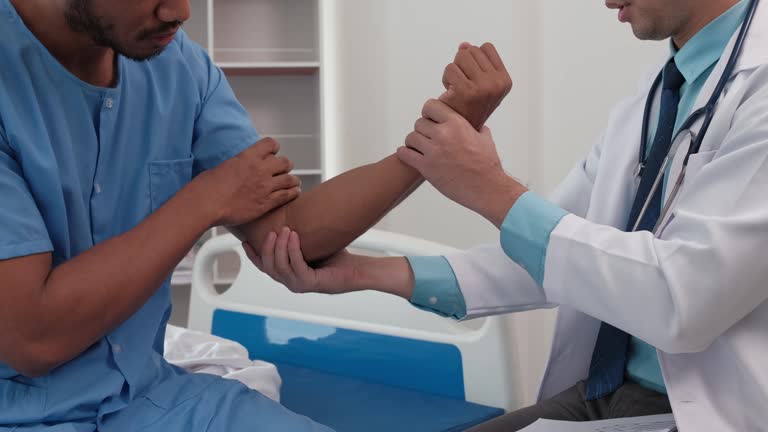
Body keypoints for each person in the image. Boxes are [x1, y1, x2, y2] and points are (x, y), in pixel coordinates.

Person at [251, 0, 768, 430]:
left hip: (718, 410)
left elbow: (683, 300)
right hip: (615, 394)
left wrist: (487, 187)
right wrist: (366, 272)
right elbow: (559, 252)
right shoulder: (661, 91)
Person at [0, 0, 511, 430]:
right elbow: (34, 337)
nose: (179, 11)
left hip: (147, 401)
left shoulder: (179, 70)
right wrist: (207, 200)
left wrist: (437, 137)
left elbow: (289, 237)